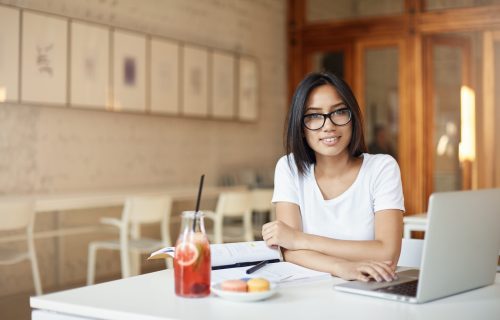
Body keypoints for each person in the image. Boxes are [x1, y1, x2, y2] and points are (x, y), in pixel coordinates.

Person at [262, 72, 404, 282]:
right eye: (314, 116)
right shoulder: (289, 168)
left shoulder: (382, 168)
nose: (328, 125)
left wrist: (300, 239)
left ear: (352, 118)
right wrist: (343, 267)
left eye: (338, 112)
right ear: (300, 128)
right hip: (308, 293)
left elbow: (387, 252)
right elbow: (290, 251)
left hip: (370, 288)